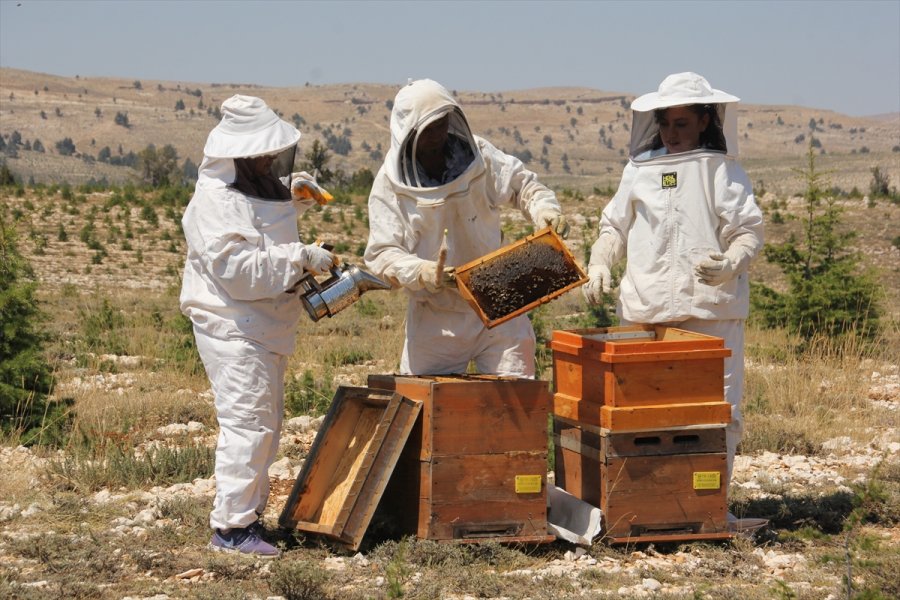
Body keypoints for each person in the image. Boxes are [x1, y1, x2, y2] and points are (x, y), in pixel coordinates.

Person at [582, 72, 764, 492]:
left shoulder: (720, 169)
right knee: (641, 413)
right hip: (645, 313)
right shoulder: (639, 170)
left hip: (709, 314)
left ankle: (709, 505)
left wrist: (731, 262)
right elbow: (614, 227)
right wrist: (600, 261)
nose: (671, 133)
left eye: (681, 123)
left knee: (717, 412)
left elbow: (748, 231)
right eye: (665, 123)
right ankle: (648, 503)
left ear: (704, 120)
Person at [180, 94, 335, 557]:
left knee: (263, 424)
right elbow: (239, 270)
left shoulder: (248, 187)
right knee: (247, 423)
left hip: (259, 325)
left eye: (273, 154)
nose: (270, 161)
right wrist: (300, 257)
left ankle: (247, 518)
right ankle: (231, 529)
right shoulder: (214, 202)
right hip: (233, 326)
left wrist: (295, 198)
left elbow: (260, 223)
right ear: (239, 156)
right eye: (262, 155)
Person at [364, 78, 569, 378]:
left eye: (442, 124)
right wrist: (422, 272)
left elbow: (522, 185)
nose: (438, 135)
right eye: (428, 129)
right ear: (409, 133)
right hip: (437, 317)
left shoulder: (480, 156)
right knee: (429, 401)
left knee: (517, 396)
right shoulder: (389, 185)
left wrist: (544, 210)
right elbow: (383, 254)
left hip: (501, 300)